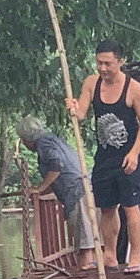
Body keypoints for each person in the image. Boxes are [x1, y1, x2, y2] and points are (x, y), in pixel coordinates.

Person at [66, 40, 140, 273]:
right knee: (106, 208)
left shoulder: (134, 89)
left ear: (120, 62)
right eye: (98, 63)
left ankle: (135, 257)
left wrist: (135, 153)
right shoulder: (91, 84)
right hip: (104, 157)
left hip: (128, 157)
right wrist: (74, 108)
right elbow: (82, 113)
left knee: (131, 207)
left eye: (107, 63)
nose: (102, 68)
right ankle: (110, 256)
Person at [16, 115, 97, 270]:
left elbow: (56, 165)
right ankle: (92, 274)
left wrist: (39, 189)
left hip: (77, 191)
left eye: (24, 141)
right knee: (91, 239)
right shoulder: (53, 139)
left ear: (28, 138)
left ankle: (86, 278)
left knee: (84, 242)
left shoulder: (43, 143)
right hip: (88, 188)